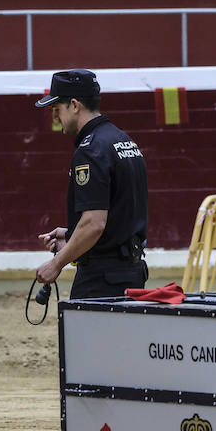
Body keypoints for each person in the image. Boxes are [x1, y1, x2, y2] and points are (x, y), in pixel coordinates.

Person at [34, 69, 148, 301]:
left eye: (57, 109)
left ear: (74, 105)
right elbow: (117, 216)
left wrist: (56, 263)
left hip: (101, 279)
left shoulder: (90, 151)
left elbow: (94, 223)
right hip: (130, 271)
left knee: (85, 338)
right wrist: (73, 234)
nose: (56, 118)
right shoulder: (123, 140)